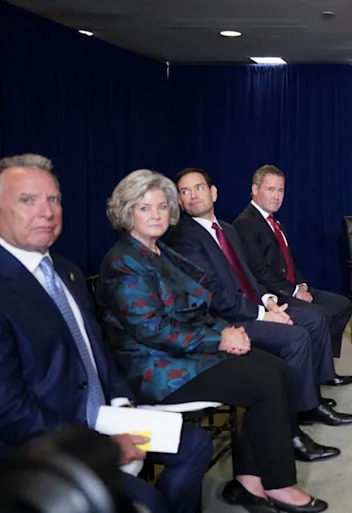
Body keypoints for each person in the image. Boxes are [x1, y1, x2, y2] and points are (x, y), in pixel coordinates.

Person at [97, 169, 328, 513]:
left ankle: (248, 481)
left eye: (162, 206)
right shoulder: (124, 262)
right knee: (263, 381)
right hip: (156, 368)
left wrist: (229, 330)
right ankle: (279, 483)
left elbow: (202, 300)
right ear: (127, 211)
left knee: (275, 368)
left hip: (189, 351)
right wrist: (220, 338)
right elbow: (153, 330)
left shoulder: (161, 252)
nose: (157, 214)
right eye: (145, 208)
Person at [0, 154, 211, 513]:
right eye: (27, 200)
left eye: (54, 199)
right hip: (46, 442)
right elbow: (10, 410)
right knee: (149, 501)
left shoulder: (65, 271)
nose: (47, 211)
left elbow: (97, 350)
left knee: (196, 445)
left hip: (106, 415)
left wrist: (122, 406)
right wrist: (101, 443)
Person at [166, 168, 352, 433]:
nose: (192, 196)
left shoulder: (228, 230)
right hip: (226, 320)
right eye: (184, 192)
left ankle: (309, 403)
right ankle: (295, 424)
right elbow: (216, 295)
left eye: (198, 188)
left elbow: (247, 275)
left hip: (252, 305)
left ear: (213, 193)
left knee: (313, 318)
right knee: (298, 336)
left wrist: (269, 302)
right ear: (179, 201)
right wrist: (262, 313)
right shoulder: (183, 238)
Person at [233, 165, 352, 386]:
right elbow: (259, 272)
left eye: (280, 190)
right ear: (254, 189)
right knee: (320, 315)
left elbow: (288, 261)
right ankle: (318, 375)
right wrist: (295, 291)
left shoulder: (275, 222)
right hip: (273, 294)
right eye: (271, 189)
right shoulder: (245, 224)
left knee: (342, 304)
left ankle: (322, 365)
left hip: (290, 285)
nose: (277, 196)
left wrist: (302, 284)